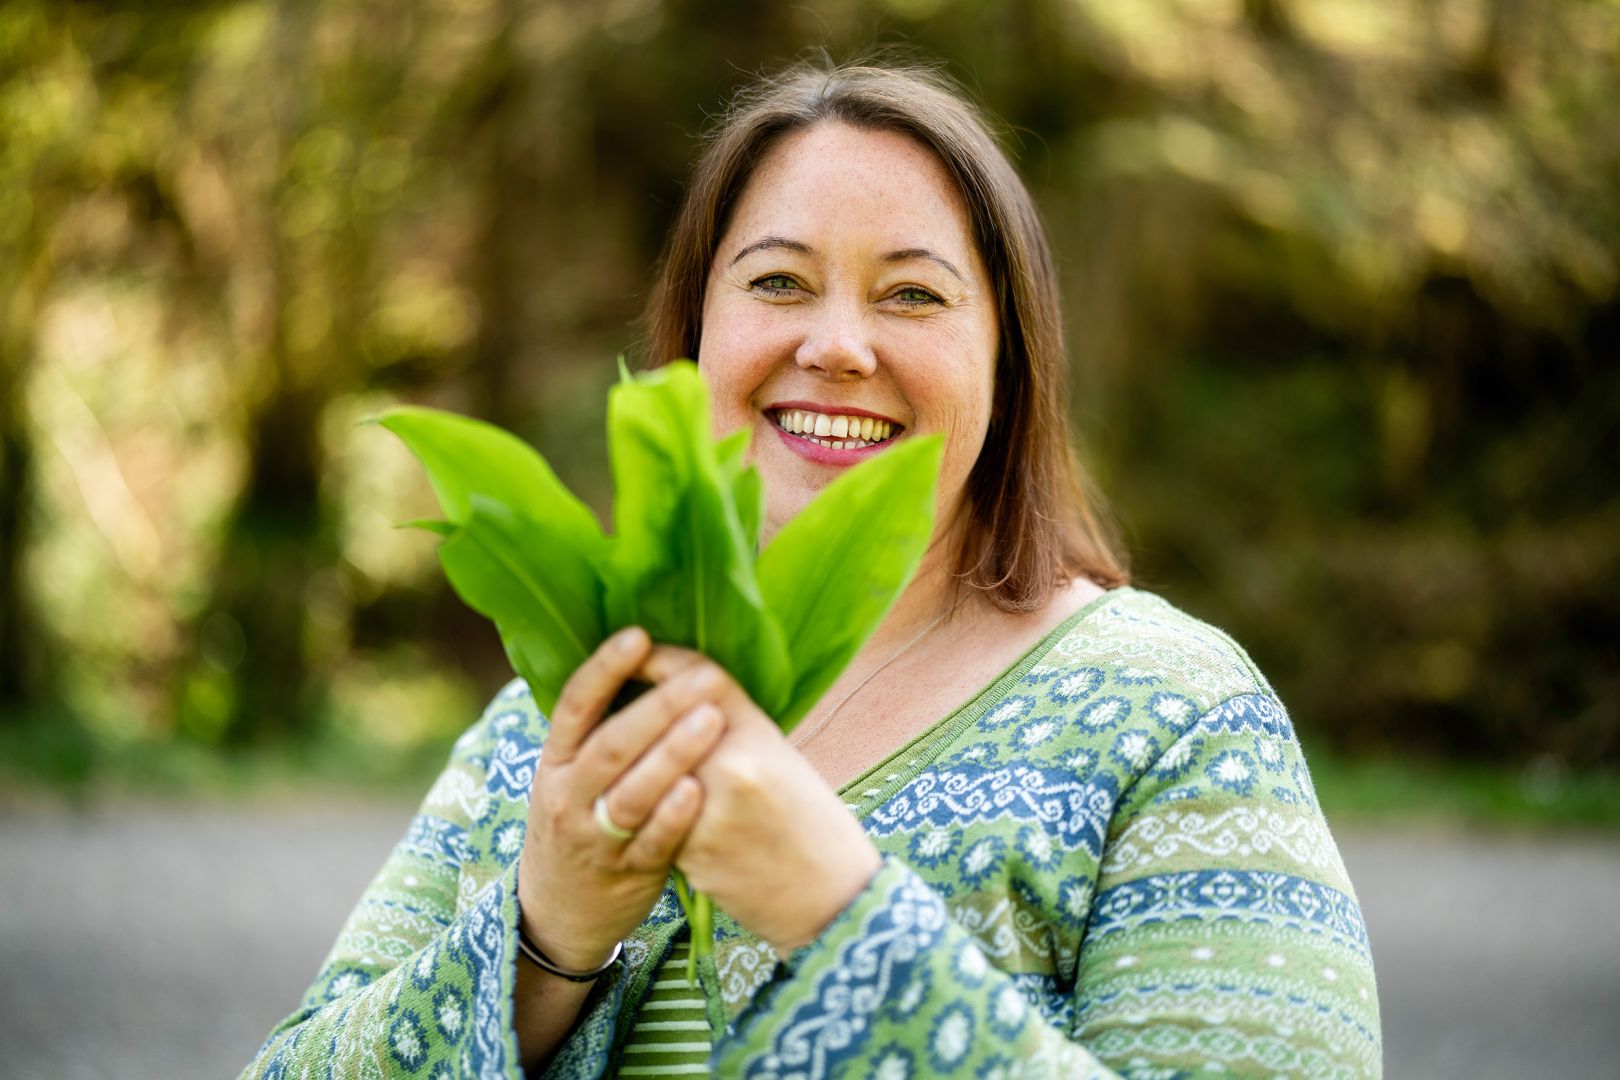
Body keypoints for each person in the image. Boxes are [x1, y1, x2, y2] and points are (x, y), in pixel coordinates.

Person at [243, 60, 1380, 1079]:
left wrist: (834, 911)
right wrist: (544, 936)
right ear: (698, 333)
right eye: (778, 282)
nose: (835, 345)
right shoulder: (553, 729)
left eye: (913, 294)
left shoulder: (1173, 718)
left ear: (1009, 361)